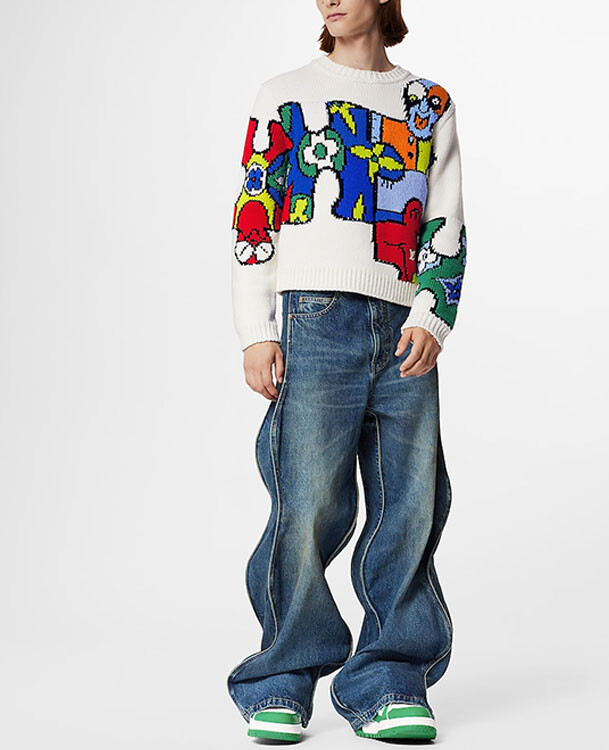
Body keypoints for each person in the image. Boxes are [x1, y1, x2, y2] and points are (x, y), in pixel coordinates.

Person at [226, 0, 467, 742]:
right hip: (312, 322)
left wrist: (432, 313)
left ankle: (390, 678)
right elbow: (255, 211)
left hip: (404, 330)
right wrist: (256, 331)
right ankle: (281, 676)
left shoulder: (427, 103)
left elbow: (448, 217)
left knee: (410, 505)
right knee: (305, 504)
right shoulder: (285, 95)